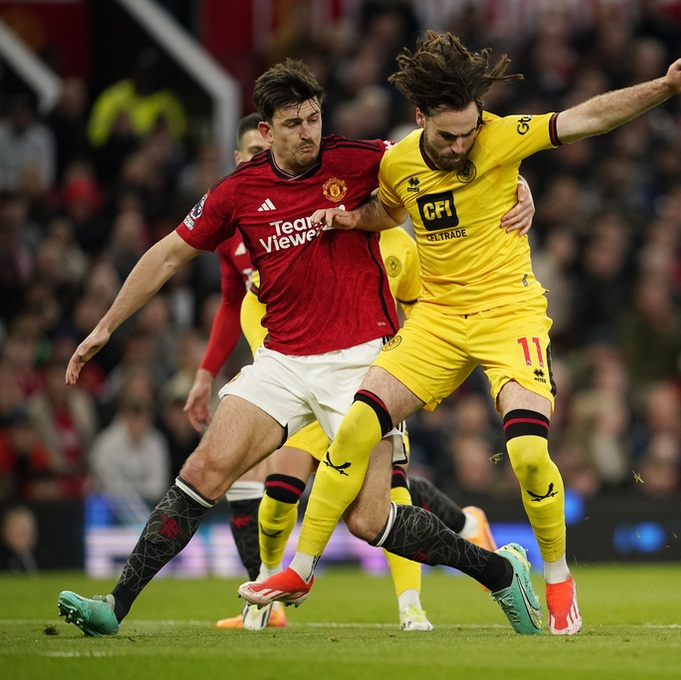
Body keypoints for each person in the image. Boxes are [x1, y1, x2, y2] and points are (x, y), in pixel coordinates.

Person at [242, 31, 681, 636]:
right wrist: (355, 216)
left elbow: (587, 117)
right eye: (448, 136)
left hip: (508, 312)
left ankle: (559, 578)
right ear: (420, 120)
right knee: (358, 423)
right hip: (437, 319)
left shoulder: (500, 137)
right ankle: (301, 570)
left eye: (469, 132)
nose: (462, 145)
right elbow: (391, 207)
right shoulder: (398, 160)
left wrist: (667, 87)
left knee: (526, 451)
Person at [57, 58, 538, 638]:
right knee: (204, 469)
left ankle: (499, 572)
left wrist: (521, 185)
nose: (308, 132)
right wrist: (107, 324)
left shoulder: (361, 159)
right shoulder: (237, 192)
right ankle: (114, 605)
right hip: (282, 362)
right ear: (266, 132)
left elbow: (449, 154)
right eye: (293, 124)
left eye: (313, 119)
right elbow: (164, 255)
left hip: (360, 361)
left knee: (369, 519)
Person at [192, 113, 518, 631]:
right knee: (279, 490)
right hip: (296, 376)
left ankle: (413, 605)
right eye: (255, 153)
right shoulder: (249, 230)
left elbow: (422, 303)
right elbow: (237, 302)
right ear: (242, 160)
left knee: (383, 498)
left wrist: (410, 369)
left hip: (368, 375)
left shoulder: (386, 240)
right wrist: (211, 372)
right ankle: (265, 603)